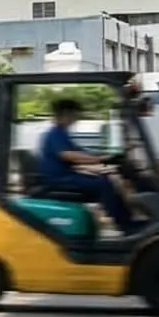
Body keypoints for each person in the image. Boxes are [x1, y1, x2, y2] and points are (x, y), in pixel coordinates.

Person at [37, 99, 136, 234]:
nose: (76, 118)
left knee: (105, 179)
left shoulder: (61, 133)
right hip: (59, 179)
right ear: (66, 114)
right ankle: (126, 226)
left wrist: (107, 156)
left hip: (66, 176)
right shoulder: (55, 134)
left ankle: (127, 221)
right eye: (75, 114)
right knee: (103, 184)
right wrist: (97, 159)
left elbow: (81, 152)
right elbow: (68, 155)